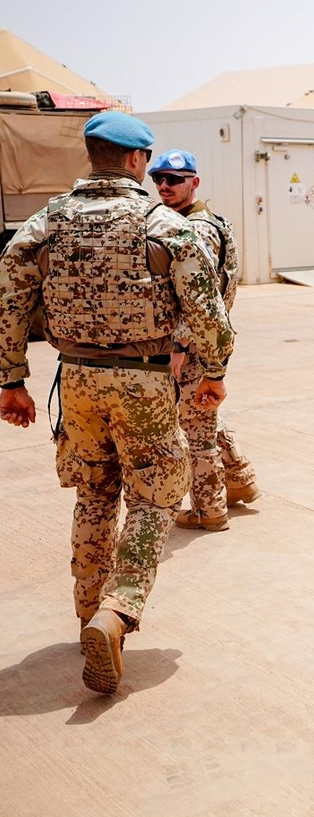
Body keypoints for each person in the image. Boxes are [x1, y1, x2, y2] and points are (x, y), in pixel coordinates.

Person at [0, 112, 233, 694]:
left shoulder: (47, 221)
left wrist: (11, 379)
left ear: (91, 156)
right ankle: (118, 609)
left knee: (94, 493)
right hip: (145, 380)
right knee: (155, 497)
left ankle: (86, 610)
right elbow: (208, 311)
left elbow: (9, 294)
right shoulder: (163, 224)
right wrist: (214, 372)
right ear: (135, 159)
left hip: (75, 379)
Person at [150, 150, 259, 530]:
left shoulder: (195, 229)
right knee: (202, 417)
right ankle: (241, 479)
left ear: (194, 182)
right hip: (204, 341)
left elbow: (198, 296)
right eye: (158, 179)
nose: (164, 186)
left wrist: (179, 346)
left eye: (174, 180)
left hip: (193, 346)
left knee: (196, 434)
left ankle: (209, 511)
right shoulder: (208, 220)